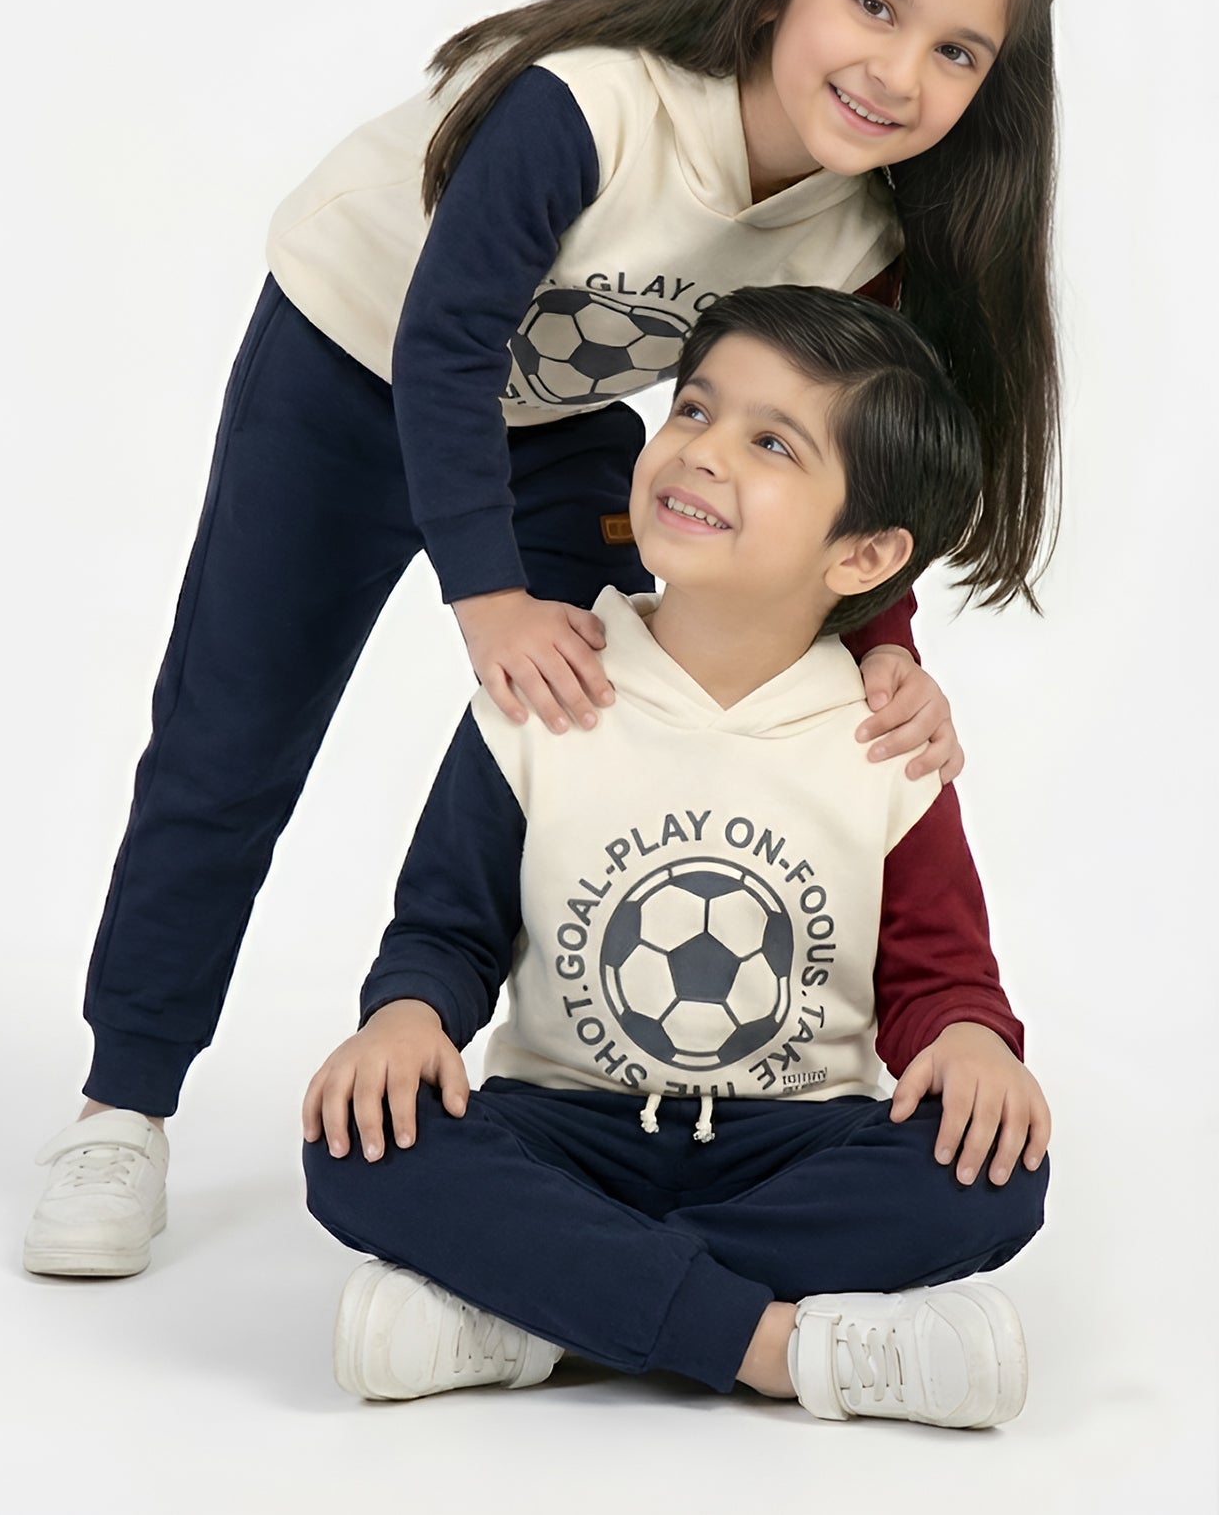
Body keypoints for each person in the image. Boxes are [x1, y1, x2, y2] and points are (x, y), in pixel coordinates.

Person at [24, 0, 1061, 1280]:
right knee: (232, 737)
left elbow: (848, 486)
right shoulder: (596, 106)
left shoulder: (857, 230)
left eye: (958, 51)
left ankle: (594, 1094)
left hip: (556, 416)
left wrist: (890, 658)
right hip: (350, 366)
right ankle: (121, 1099)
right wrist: (490, 598)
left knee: (594, 716)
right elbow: (447, 345)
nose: (900, 73)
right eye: (874, 6)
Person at [301, 285, 1051, 1427]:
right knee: (360, 1144)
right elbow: (446, 928)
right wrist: (405, 1017)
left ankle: (533, 1309)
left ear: (863, 554)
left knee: (993, 1172)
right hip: (562, 1123)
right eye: (693, 410)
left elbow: (937, 975)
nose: (698, 452)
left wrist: (967, 1044)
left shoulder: (881, 738)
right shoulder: (545, 688)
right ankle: (782, 1349)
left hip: (791, 1142)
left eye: (768, 442)